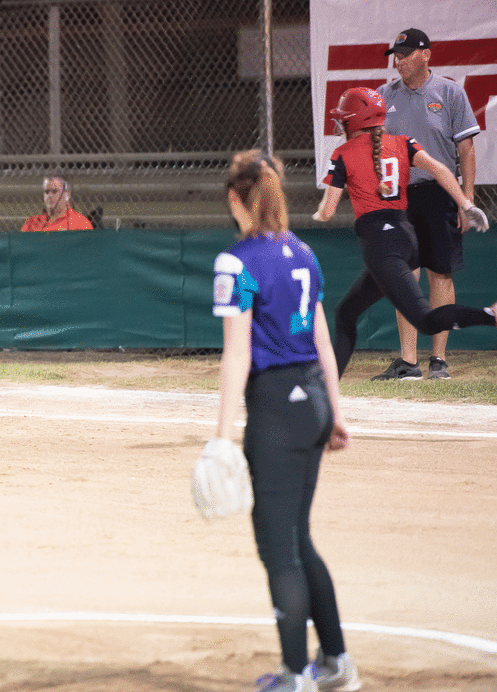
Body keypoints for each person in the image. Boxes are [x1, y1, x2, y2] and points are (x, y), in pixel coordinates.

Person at [211, 150, 360, 692]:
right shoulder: (303, 252)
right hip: (312, 402)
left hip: (275, 408)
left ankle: (295, 675)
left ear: (236, 199)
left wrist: (220, 438)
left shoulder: (237, 262)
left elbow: (237, 354)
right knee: (299, 537)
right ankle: (336, 663)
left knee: (279, 549)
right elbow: (322, 339)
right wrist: (335, 413)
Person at [313, 87, 493, 379]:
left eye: (344, 119)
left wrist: (318, 214)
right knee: (346, 312)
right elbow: (440, 169)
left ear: (354, 121)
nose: (340, 124)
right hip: (405, 238)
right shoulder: (403, 142)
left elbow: (328, 210)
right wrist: (465, 203)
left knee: (426, 320)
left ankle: (490, 316)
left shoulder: (344, 153)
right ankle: (327, 383)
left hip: (382, 244)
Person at [373, 28, 481, 380]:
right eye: (396, 56)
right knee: (405, 274)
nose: (398, 62)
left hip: (439, 194)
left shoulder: (450, 92)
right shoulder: (383, 96)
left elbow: (466, 149)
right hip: (397, 195)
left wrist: (466, 200)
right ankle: (408, 361)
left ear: (425, 55)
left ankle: (438, 359)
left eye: (405, 55)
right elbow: (371, 148)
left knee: (440, 272)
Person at [20, 175, 93, 232]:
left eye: (54, 192)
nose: (49, 196)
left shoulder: (80, 223)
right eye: (46, 192)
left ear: (67, 195)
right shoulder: (31, 222)